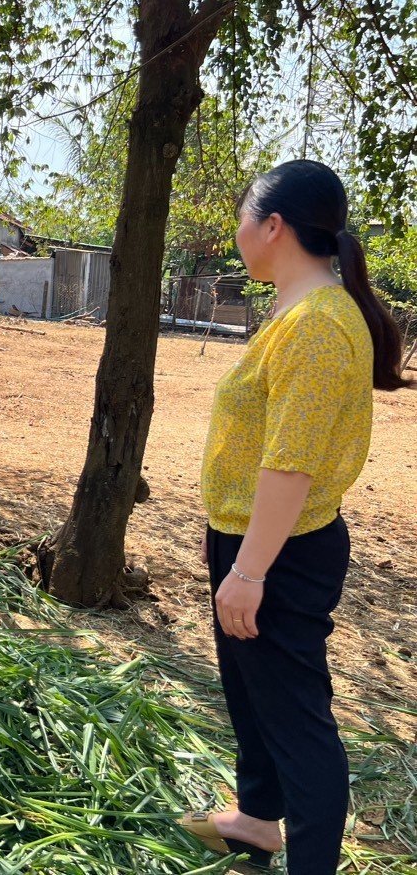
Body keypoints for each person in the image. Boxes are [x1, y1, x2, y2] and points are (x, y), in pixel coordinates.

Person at [181, 161, 411, 872]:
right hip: (253, 541)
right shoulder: (298, 311)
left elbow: (291, 463)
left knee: (297, 724)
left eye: (244, 218)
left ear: (273, 226)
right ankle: (255, 821)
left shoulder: (316, 325)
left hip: (278, 552)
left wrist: (249, 570)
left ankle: (310, 862)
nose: (237, 234)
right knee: (255, 699)